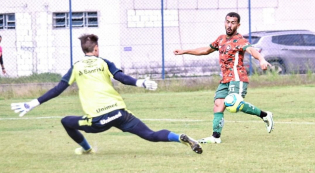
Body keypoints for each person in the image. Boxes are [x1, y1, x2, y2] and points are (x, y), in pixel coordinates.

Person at [11, 34, 202, 154]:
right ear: (95, 49)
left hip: (99, 119)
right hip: (120, 112)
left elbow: (57, 90)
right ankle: (180, 138)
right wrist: (141, 82)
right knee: (150, 134)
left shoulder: (76, 67)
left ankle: (87, 149)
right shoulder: (104, 62)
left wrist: (33, 103)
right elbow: (123, 78)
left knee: (66, 122)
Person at [173, 12, 274, 144]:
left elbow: (251, 50)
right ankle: (215, 137)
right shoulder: (221, 39)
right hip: (225, 79)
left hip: (237, 78)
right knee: (218, 104)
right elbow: (205, 50)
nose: (229, 25)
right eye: (228, 22)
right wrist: (185, 51)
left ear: (238, 25)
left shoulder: (240, 40)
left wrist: (261, 59)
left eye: (233, 23)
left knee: (233, 103)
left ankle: (265, 115)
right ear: (225, 22)